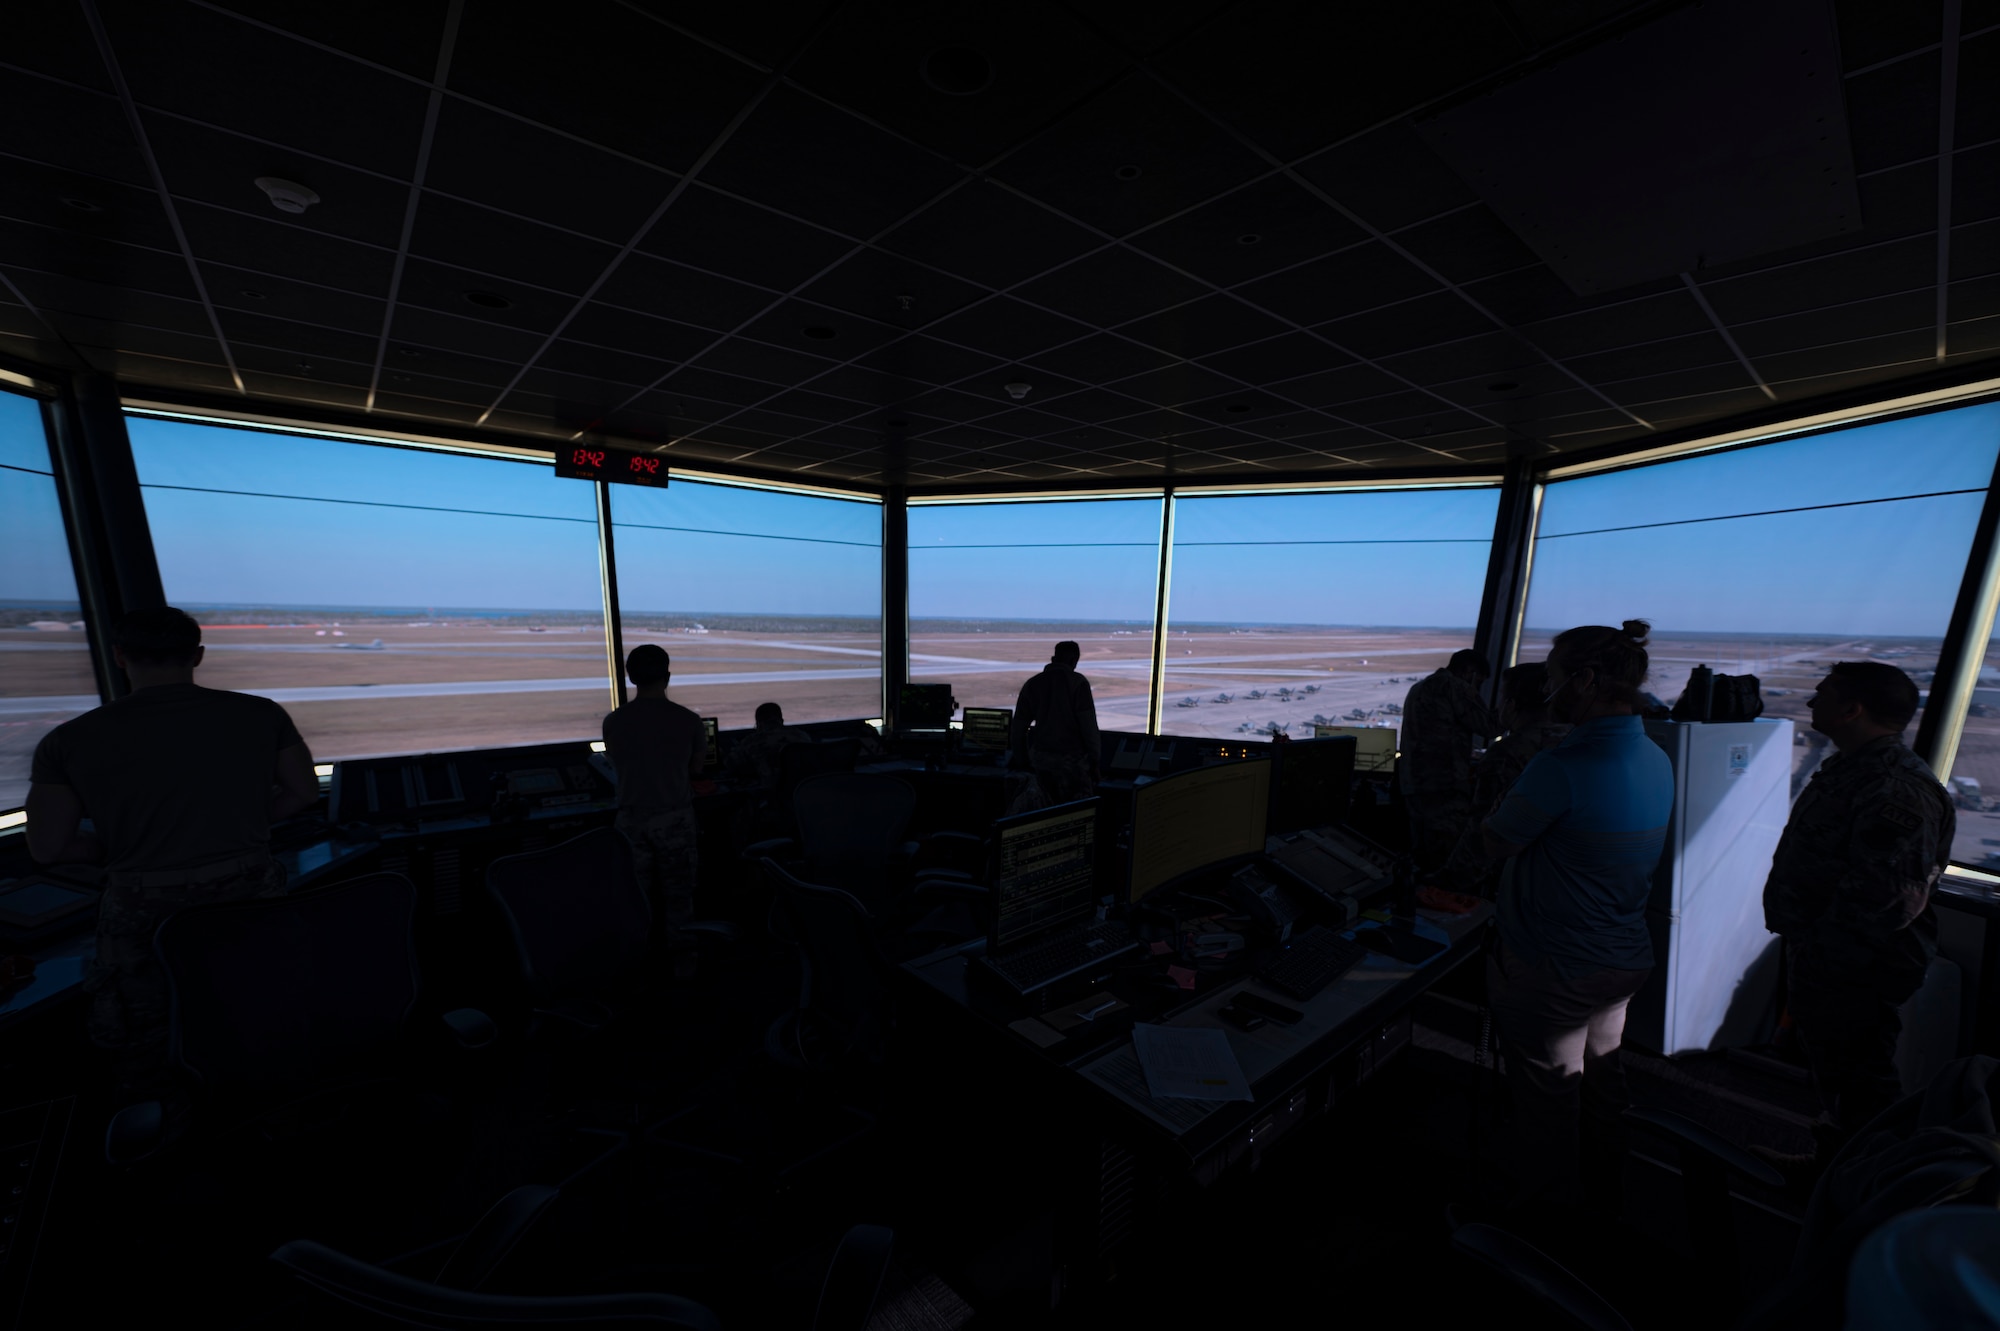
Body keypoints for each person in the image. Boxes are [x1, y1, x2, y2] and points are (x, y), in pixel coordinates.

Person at [25, 606, 317, 1113]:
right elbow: (302, 795)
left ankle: (165, 1146)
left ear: (119, 657)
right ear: (198, 656)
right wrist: (241, 828)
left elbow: (48, 848)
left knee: (146, 1044)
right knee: (260, 1012)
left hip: (142, 906)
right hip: (249, 894)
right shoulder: (261, 714)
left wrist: (117, 850)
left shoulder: (68, 741)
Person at [1482, 620, 1674, 1207]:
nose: (1550, 690)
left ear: (1586, 681)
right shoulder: (1656, 757)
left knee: (1546, 1104)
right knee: (1602, 1089)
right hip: (1620, 956)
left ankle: (1544, 1239)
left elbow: (1496, 841)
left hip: (1557, 966)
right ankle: (1606, 1201)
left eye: (1556, 677)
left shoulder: (1561, 767)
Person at [1763, 661, 1951, 1153]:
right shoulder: (1853, 767)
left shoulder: (1895, 787)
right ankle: (1837, 1168)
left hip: (1855, 965)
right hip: (1831, 956)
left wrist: (1825, 959)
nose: (1809, 703)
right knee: (1838, 1075)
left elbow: (1889, 897)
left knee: (1863, 1082)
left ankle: (1874, 1191)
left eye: (1821, 694)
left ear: (1851, 709)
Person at [602, 644, 707, 973]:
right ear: (668, 677)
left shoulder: (613, 722)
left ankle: (638, 966)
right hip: (674, 820)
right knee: (679, 897)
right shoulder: (689, 722)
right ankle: (684, 965)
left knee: (636, 898)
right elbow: (697, 771)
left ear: (631, 678)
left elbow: (615, 762)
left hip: (631, 821)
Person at [1438, 661, 1569, 898]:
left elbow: (1483, 834)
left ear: (1511, 705)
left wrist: (1447, 882)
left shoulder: (1506, 754)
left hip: (1511, 883)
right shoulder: (1575, 741)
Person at [1399, 648, 1494, 870]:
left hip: (1412, 785)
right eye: (1478, 681)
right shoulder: (1455, 687)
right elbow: (1488, 726)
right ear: (1469, 671)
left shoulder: (1418, 688)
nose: (1476, 688)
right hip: (1444, 788)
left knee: (1421, 855)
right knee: (1445, 858)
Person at [1010, 641, 1101, 805]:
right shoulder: (1078, 683)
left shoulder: (1033, 684)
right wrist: (1095, 762)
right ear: (1074, 661)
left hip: (1040, 765)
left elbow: (1017, 730)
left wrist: (1023, 762)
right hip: (1073, 767)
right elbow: (1089, 729)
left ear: (1053, 658)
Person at [724, 702, 811, 791]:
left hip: (771, 797)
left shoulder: (752, 741)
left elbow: (730, 765)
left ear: (758, 724)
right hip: (803, 794)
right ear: (781, 720)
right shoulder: (802, 736)